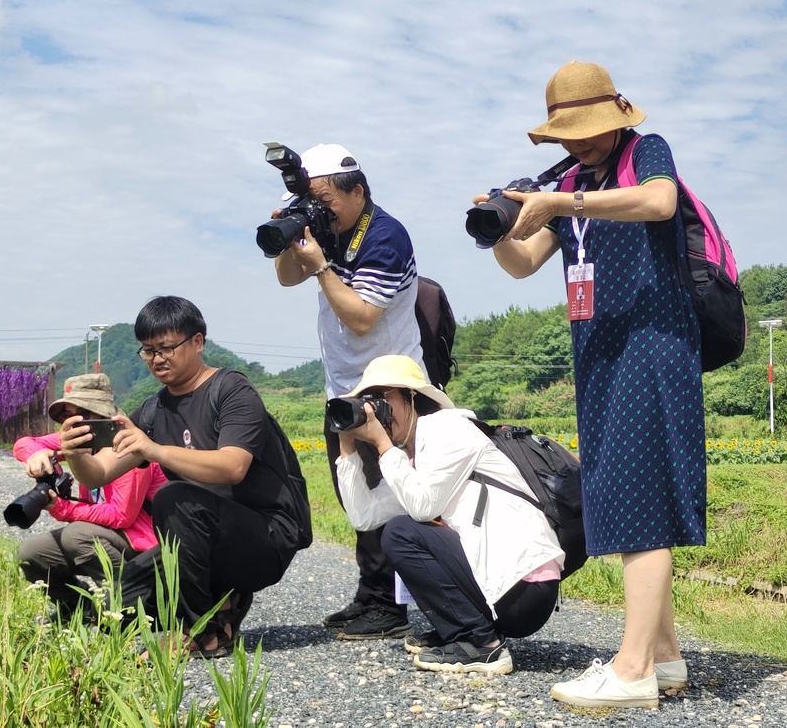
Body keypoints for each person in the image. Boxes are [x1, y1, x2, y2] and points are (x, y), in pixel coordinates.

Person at [472, 61, 703, 708]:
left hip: (653, 344)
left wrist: (561, 200)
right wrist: (501, 226)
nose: (579, 143)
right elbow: (523, 265)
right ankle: (664, 656)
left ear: (616, 115)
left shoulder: (643, 153)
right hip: (600, 352)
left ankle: (631, 671)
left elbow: (660, 201)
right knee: (623, 489)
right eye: (567, 134)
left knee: (641, 498)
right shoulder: (572, 181)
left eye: (588, 128)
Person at [54, 296, 302, 658]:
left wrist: (153, 450)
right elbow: (100, 473)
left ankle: (204, 629)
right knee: (112, 608)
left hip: (265, 538)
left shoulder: (232, 390)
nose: (157, 359)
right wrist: (76, 455)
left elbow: (234, 466)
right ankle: (222, 598)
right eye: (149, 350)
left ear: (197, 342)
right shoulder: (155, 409)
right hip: (205, 539)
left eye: (167, 348)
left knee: (174, 498)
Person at [272, 143, 425, 640]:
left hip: (387, 387)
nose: (321, 210)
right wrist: (292, 232)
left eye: (325, 200)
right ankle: (371, 594)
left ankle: (391, 605)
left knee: (389, 493)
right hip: (342, 385)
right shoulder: (327, 231)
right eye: (312, 201)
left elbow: (361, 319)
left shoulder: (386, 235)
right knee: (354, 491)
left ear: (357, 190)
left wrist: (321, 266)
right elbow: (287, 278)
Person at [334, 355, 563, 675]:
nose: (377, 411)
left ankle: (482, 644)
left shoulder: (447, 428)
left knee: (402, 532)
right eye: (369, 402)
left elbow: (422, 506)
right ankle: (465, 630)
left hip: (525, 587)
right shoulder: (413, 456)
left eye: (383, 399)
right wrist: (347, 447)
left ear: (411, 397)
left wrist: (383, 445)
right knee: (399, 528)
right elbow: (364, 516)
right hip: (502, 588)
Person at [14, 373, 167, 622]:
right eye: (66, 416)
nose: (73, 422)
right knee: (32, 554)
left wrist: (63, 509)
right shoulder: (83, 438)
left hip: (143, 546)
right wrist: (36, 454)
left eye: (81, 413)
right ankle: (79, 608)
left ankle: (130, 604)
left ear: (102, 415)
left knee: (77, 535)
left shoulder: (128, 445)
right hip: (105, 535)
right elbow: (24, 442)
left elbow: (121, 515)